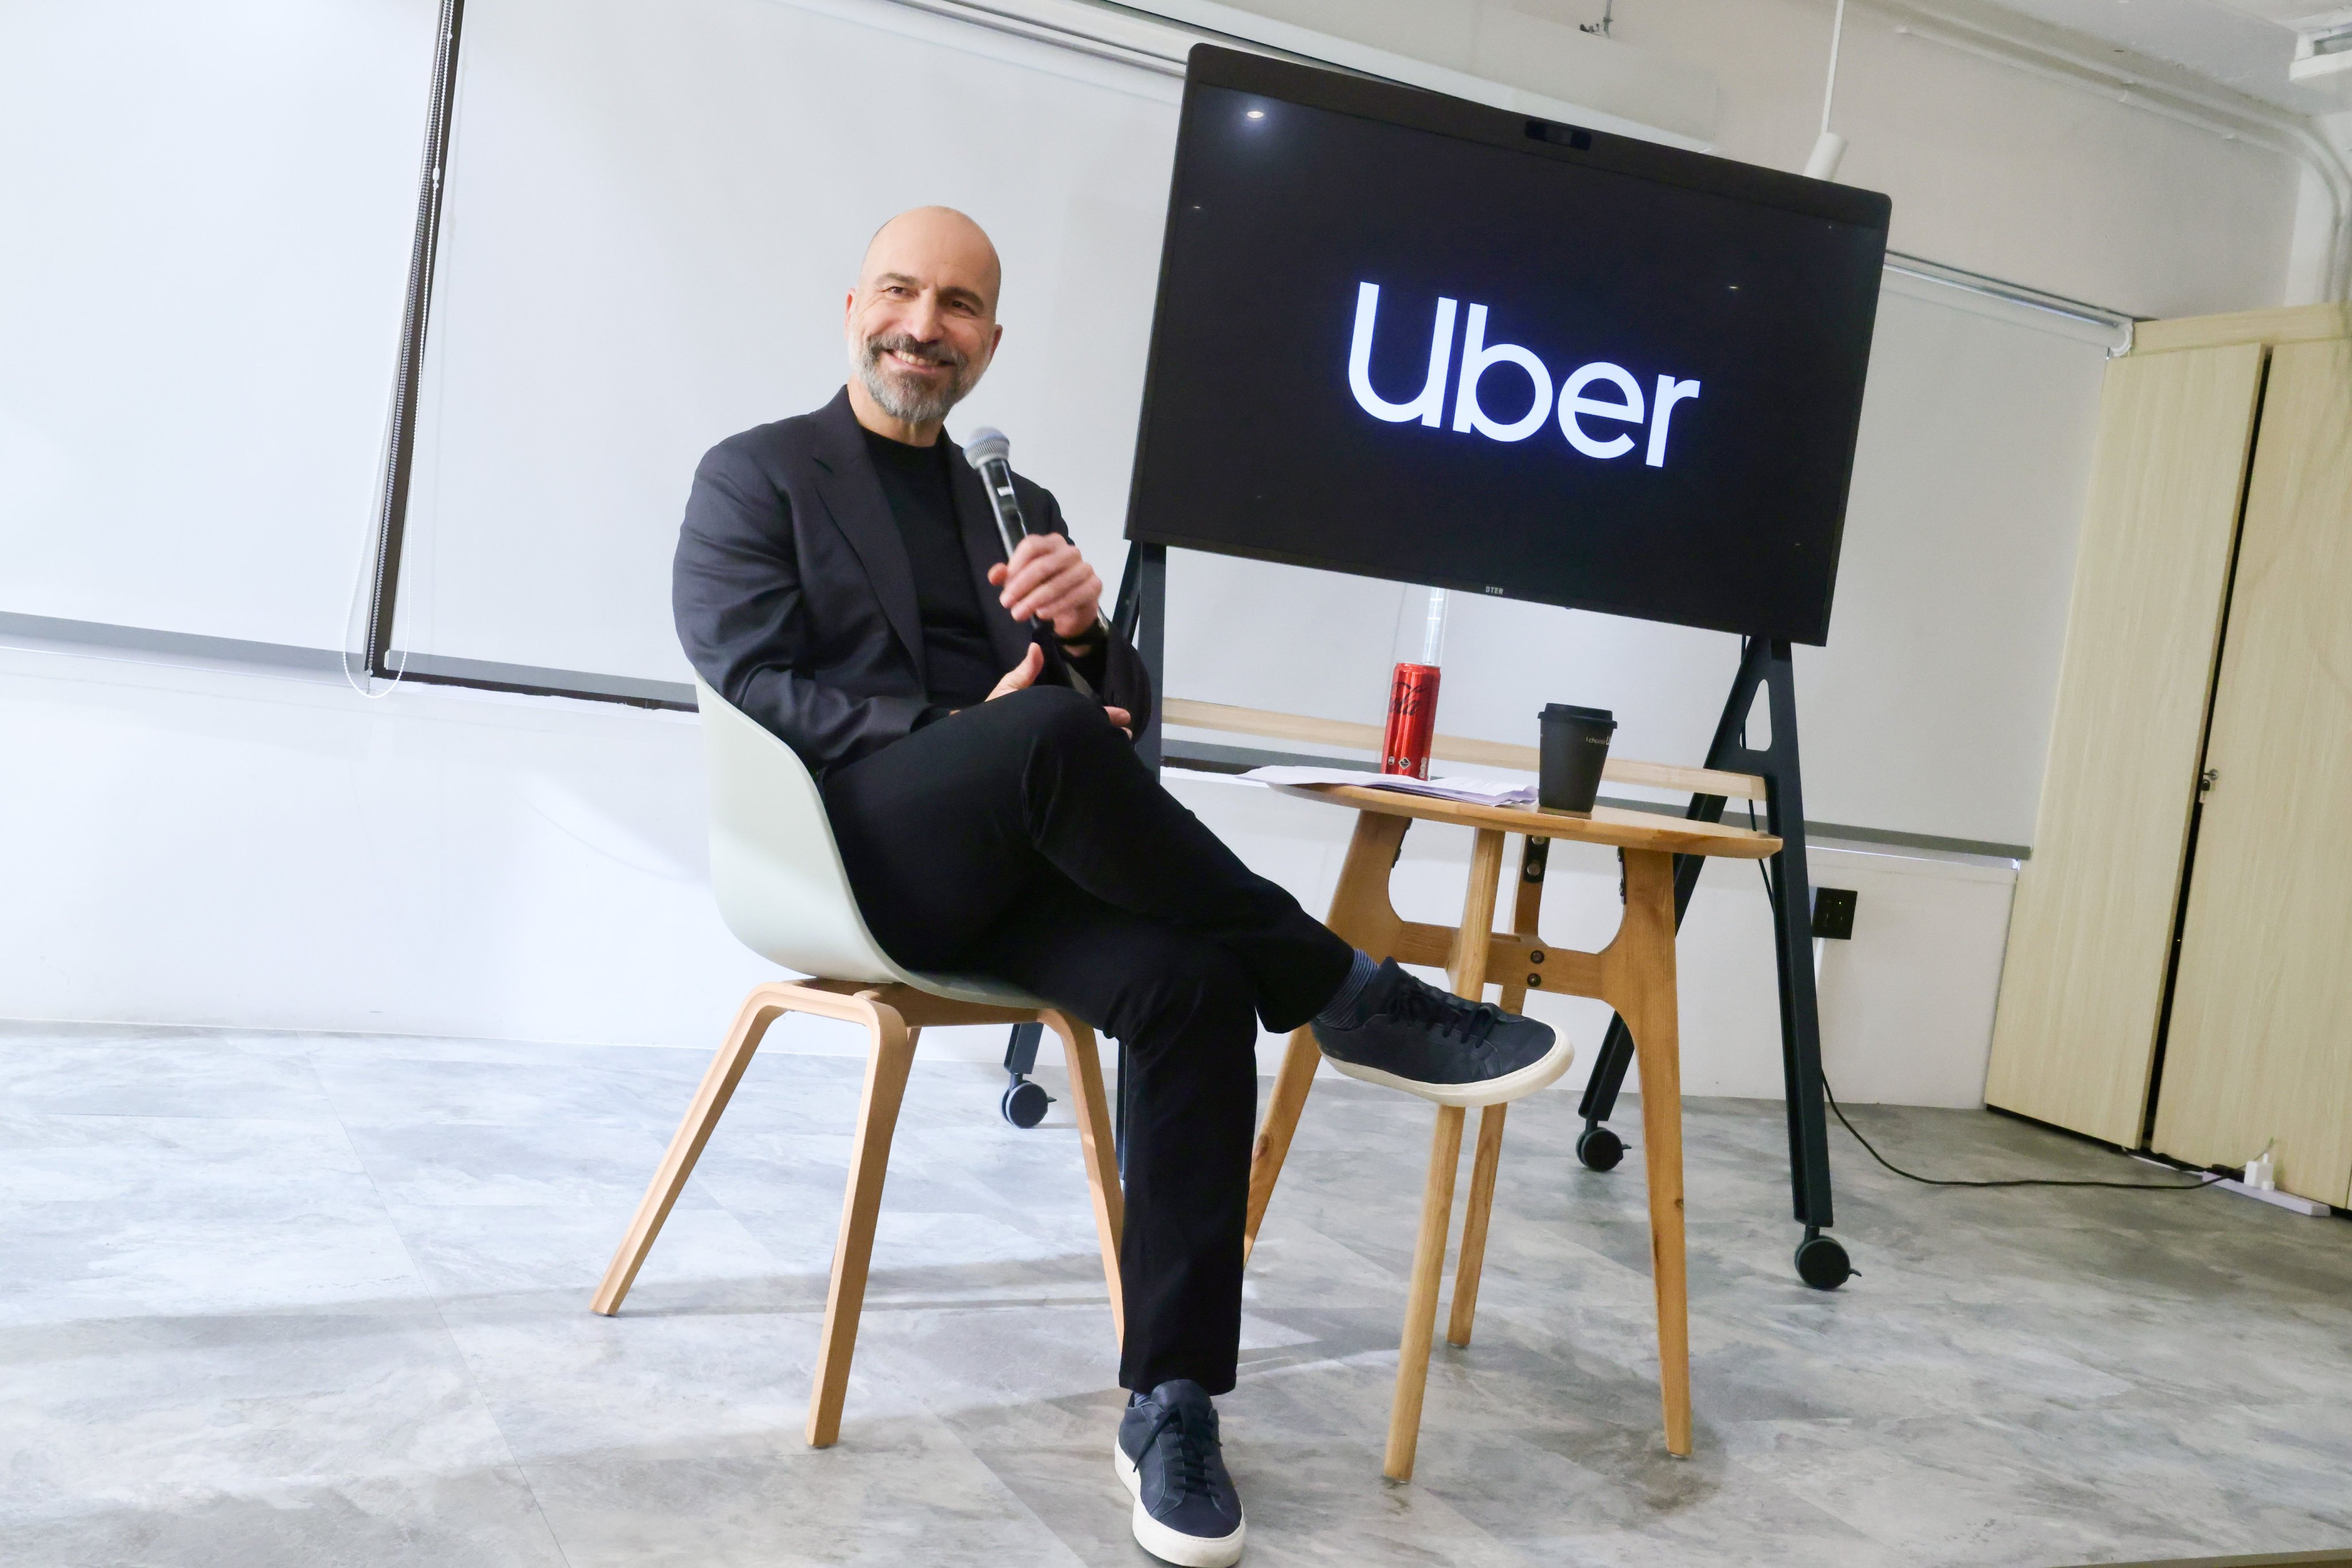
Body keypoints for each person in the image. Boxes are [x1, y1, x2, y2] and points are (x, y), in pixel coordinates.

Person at [673, 206, 1572, 1567]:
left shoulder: (1013, 502)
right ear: (851, 308)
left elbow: (1113, 717)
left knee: (1191, 984)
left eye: (958, 306)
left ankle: (1172, 1397)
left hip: (1017, 865)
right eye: (901, 293)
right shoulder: (757, 477)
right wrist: (969, 730)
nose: (924, 326)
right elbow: (749, 677)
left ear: (988, 340)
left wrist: (1088, 634)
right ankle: (1342, 988)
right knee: (1037, 737)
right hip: (854, 856)